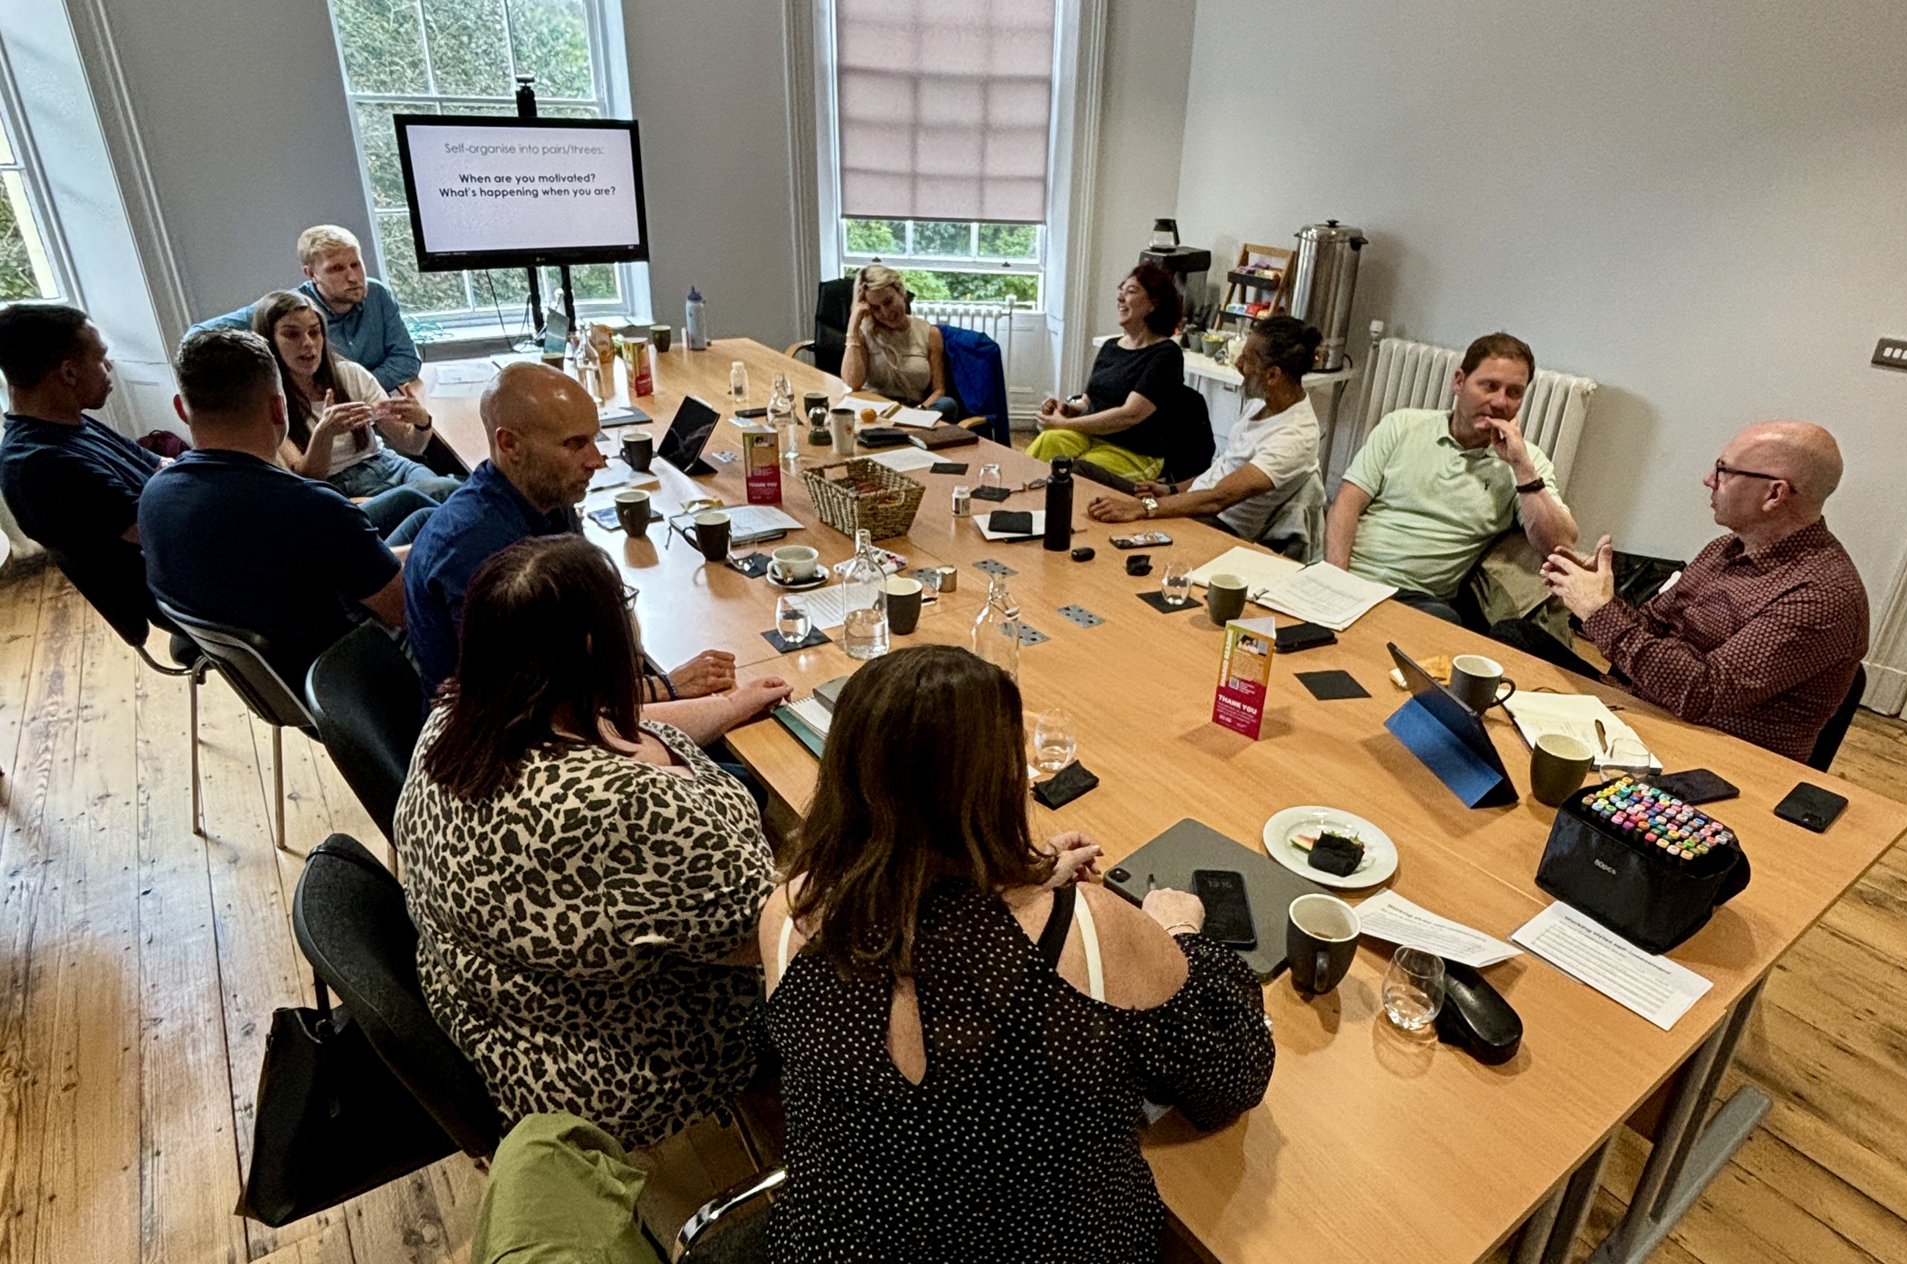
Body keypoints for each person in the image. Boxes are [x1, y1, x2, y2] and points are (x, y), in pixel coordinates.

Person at [758, 644, 1274, 1262]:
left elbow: (927, 920)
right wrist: (1177, 932)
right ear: (998, 786)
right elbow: (1233, 1076)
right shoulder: (1092, 930)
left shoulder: (789, 915)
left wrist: (1017, 878)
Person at [395, 534, 785, 1149]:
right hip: (619, 1067)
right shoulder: (627, 806)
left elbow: (601, 725)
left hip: (499, 1021)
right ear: (591, 646)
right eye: (621, 606)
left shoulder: (456, 718)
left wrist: (728, 706)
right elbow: (771, 936)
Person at [401, 363, 750, 731]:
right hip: (507, 750)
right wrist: (661, 687)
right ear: (510, 445)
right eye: (574, 444)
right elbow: (530, 703)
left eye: (594, 440)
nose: (596, 460)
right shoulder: (476, 549)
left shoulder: (547, 497)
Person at [1506, 421, 1868, 763]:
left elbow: (1702, 694)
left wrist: (1600, 611)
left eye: (1724, 471)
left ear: (1775, 493)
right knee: (1514, 636)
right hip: (1647, 705)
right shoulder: (1725, 548)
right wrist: (1591, 595)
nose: (1709, 480)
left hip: (1714, 752)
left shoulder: (1821, 596)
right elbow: (1650, 628)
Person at [138, 329, 406, 693]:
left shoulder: (154, 495)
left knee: (421, 520)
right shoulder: (309, 507)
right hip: (353, 683)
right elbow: (408, 611)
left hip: (271, 681)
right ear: (278, 408)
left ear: (181, 408)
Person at [1324, 332, 1577, 624]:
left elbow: (1561, 546)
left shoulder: (1527, 462)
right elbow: (1347, 502)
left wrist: (1521, 468)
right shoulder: (1402, 424)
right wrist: (1335, 580)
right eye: (1489, 386)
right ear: (1459, 381)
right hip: (1348, 575)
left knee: (1443, 623)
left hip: (1415, 598)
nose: (1500, 402)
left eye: (1514, 393)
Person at [0, 303, 168, 643]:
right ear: (68, 373)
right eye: (100, 358)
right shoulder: (42, 467)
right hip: (180, 595)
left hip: (187, 558)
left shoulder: (66, 421)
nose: (108, 367)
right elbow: (160, 531)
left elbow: (158, 463)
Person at [1085, 315, 1323, 545]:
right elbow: (1224, 468)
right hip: (1191, 505)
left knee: (1108, 531)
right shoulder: (1262, 402)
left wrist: (1142, 508)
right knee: (1078, 471)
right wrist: (1171, 490)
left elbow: (1220, 498)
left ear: (1273, 375)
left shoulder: (1296, 435)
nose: (1238, 363)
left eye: (1247, 359)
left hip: (1216, 525)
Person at [251, 290, 456, 541]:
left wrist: (422, 423)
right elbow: (306, 479)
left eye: (315, 332)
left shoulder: (349, 375)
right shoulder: (268, 402)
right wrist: (324, 433)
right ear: (269, 340)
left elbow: (411, 445)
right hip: (335, 493)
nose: (308, 343)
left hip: (387, 466)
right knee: (430, 500)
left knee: (449, 494)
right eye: (292, 334)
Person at [1029, 263, 1212, 483]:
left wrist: (1065, 424)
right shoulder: (1111, 346)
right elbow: (1088, 402)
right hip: (1092, 436)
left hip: (1135, 452)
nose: (1120, 298)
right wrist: (1066, 409)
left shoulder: (1166, 354)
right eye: (1121, 291)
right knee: (1048, 441)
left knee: (1078, 474)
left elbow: (1130, 414)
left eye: (1131, 291)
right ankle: (1014, 504)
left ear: (1154, 304)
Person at [189, 224, 421, 393]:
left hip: (375, 409)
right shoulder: (288, 308)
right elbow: (197, 335)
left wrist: (357, 389)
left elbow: (407, 359)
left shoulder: (377, 295)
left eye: (355, 264)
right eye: (336, 269)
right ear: (311, 275)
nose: (352, 277)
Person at [839, 264, 959, 421]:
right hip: (874, 414)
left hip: (915, 413)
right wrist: (853, 326)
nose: (885, 313)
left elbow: (939, 390)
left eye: (888, 302)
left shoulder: (929, 333)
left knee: (948, 404)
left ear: (901, 292)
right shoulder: (864, 333)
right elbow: (853, 383)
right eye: (875, 308)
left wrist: (917, 412)